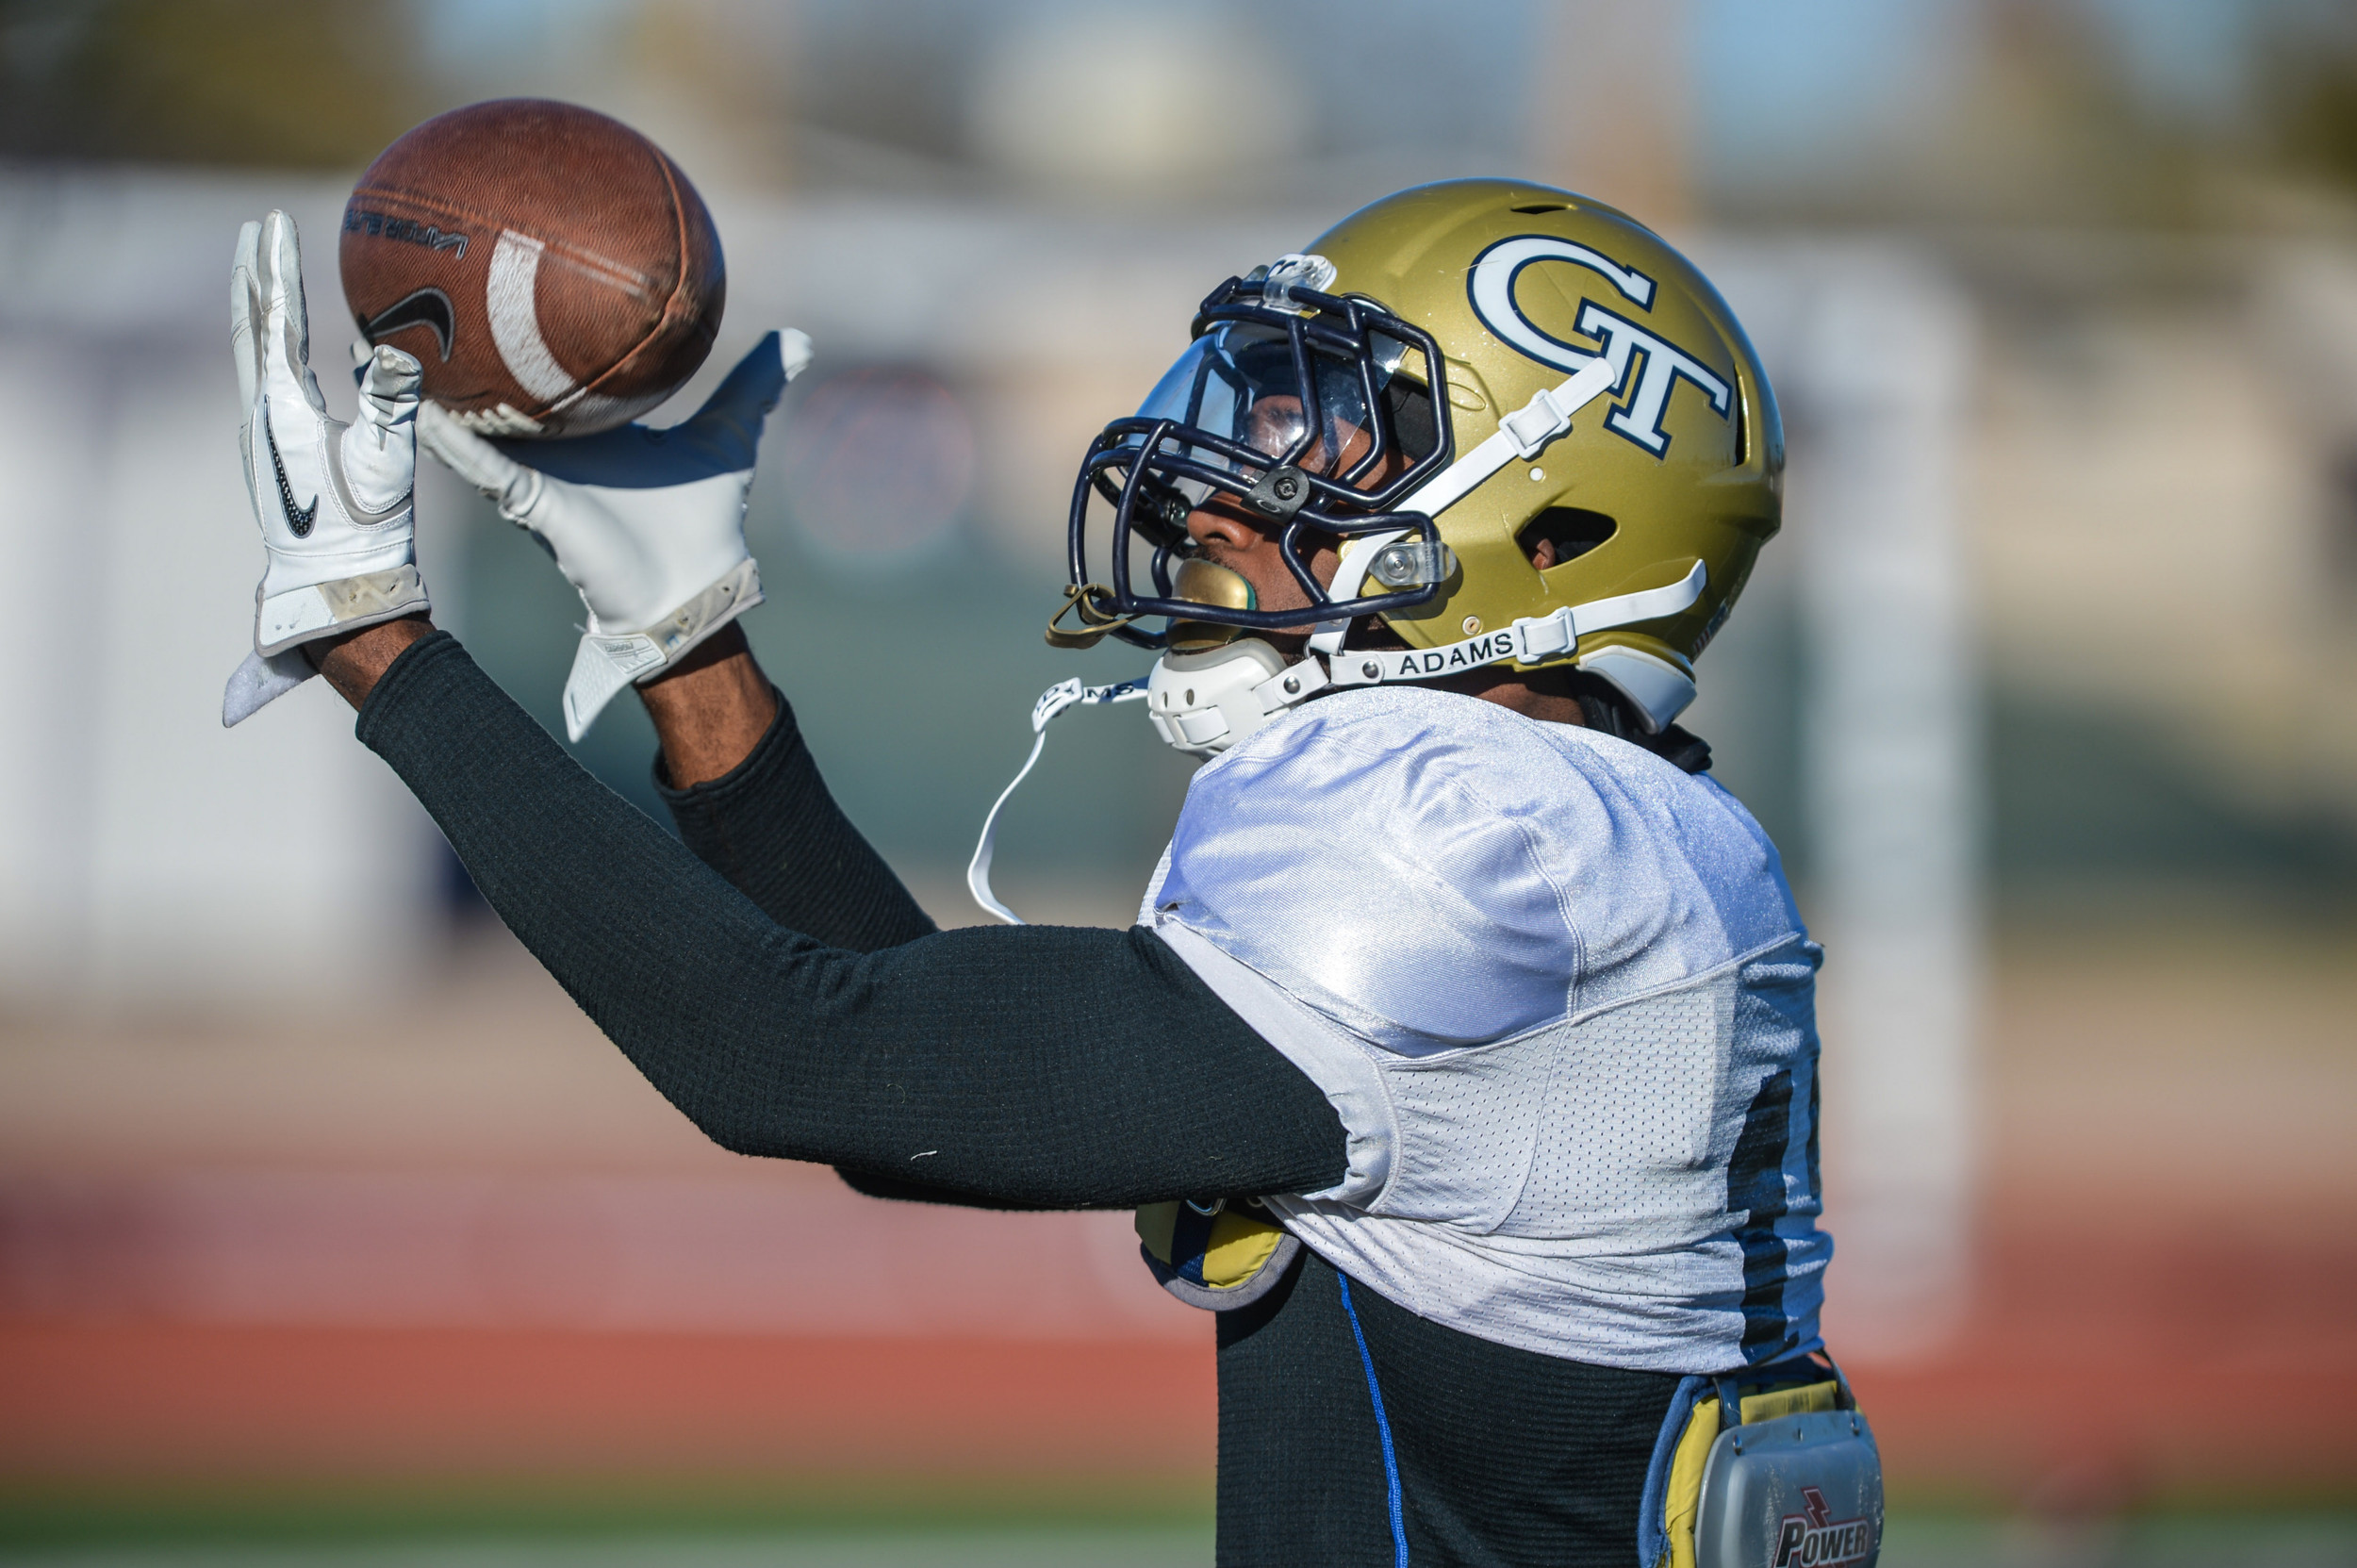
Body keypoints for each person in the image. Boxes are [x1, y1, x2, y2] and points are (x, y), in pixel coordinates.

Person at [223, 180, 1840, 1568]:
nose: (1223, 475)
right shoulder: (1614, 839)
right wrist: (689, 646)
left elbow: (810, 1061)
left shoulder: (1482, 838)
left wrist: (382, 650)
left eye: (1326, 424)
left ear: (1548, 530)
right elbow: (925, 1072)